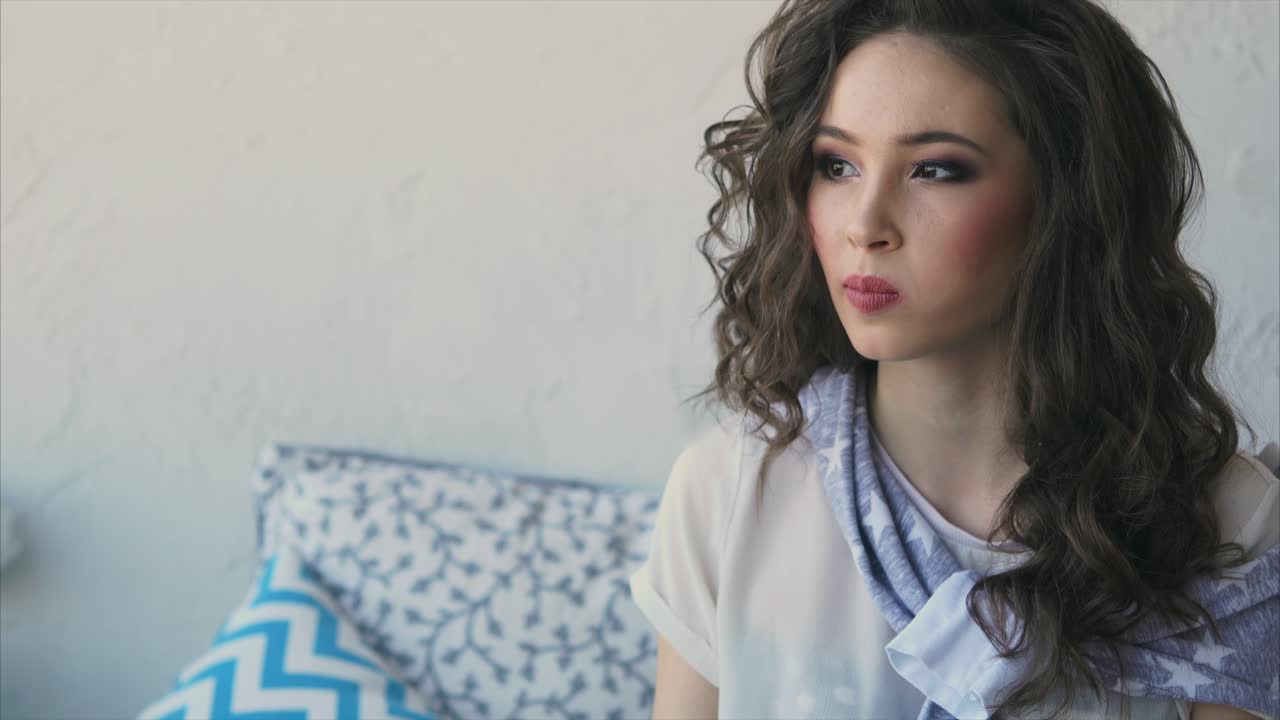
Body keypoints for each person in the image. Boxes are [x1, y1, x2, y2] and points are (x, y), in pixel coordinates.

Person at [626, 1, 1280, 719]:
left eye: (934, 170)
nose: (864, 224)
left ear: (1068, 202)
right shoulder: (729, 493)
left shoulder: (1225, 527)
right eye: (836, 163)